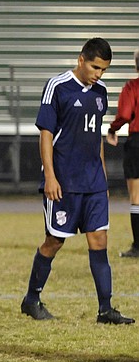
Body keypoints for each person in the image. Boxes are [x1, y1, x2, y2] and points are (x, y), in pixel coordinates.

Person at [21, 38, 134, 325]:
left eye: (104, 70)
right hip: (64, 181)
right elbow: (46, 133)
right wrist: (50, 175)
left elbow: (95, 137)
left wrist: (103, 180)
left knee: (99, 240)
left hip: (93, 182)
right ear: (81, 59)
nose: (99, 74)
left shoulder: (101, 92)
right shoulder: (57, 87)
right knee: (54, 241)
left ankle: (105, 309)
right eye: (96, 67)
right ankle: (31, 299)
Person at [107, 50, 139, 258]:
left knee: (136, 198)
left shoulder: (131, 87)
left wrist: (113, 129)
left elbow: (125, 114)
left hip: (136, 143)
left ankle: (138, 247)